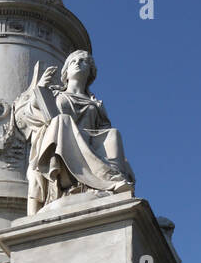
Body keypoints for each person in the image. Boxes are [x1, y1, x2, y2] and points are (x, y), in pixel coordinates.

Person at [13, 51, 134, 215]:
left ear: (90, 72)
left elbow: (103, 130)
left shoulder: (95, 103)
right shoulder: (55, 93)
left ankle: (110, 180)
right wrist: (40, 89)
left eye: (83, 61)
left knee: (113, 134)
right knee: (63, 120)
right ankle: (78, 178)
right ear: (66, 72)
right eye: (72, 62)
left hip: (89, 142)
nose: (77, 63)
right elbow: (30, 112)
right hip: (60, 141)